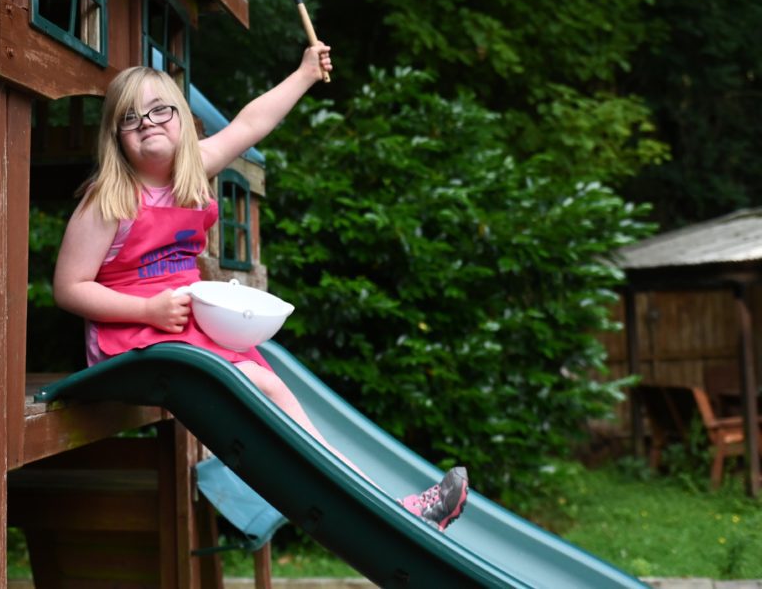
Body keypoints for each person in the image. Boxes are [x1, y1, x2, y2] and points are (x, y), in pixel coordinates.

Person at [53, 43, 468, 531]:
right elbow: (68, 288)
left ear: (182, 120)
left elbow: (251, 124)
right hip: (131, 335)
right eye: (131, 117)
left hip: (183, 325)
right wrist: (147, 311)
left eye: (160, 109)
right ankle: (390, 507)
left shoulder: (195, 171)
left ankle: (387, 506)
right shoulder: (109, 200)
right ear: (116, 137)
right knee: (266, 391)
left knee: (276, 397)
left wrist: (305, 73)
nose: (147, 122)